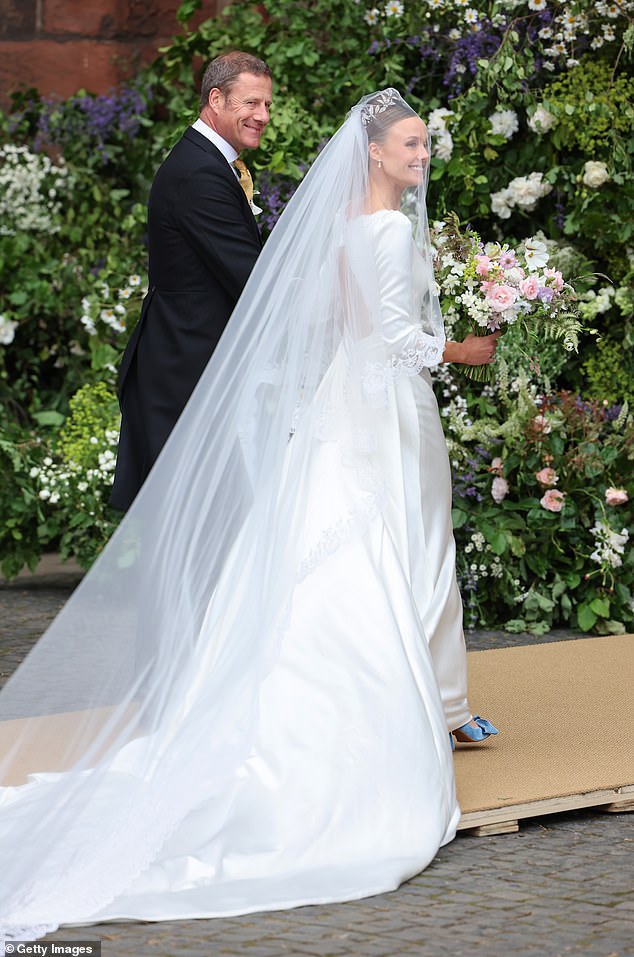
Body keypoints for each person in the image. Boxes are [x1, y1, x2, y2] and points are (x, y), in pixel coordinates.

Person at [0, 89, 499, 938]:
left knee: (384, 547)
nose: (423, 156)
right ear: (374, 152)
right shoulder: (380, 231)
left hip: (355, 404)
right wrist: (463, 347)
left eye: (425, 144)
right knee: (402, 547)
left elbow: (341, 324)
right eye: (411, 145)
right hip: (385, 406)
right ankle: (424, 707)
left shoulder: (349, 227)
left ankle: (442, 702)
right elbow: (387, 334)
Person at [109, 51, 273, 511]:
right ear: (215, 98)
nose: (261, 116)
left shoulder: (207, 162)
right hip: (187, 370)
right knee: (196, 519)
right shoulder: (200, 173)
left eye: (267, 105)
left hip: (192, 362)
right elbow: (251, 278)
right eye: (251, 103)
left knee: (204, 522)